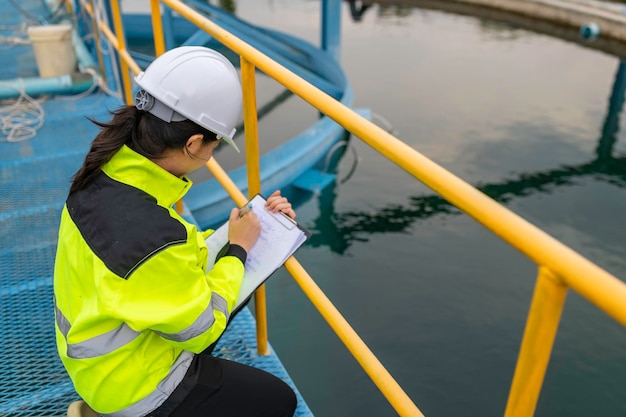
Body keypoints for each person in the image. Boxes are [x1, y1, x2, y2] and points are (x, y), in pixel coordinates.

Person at [53, 46, 297, 417]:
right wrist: (238, 252)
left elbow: (160, 263)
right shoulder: (154, 234)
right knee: (278, 401)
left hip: (95, 362)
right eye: (215, 144)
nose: (212, 154)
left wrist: (238, 234)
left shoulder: (104, 175)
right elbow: (203, 329)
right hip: (130, 386)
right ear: (194, 143)